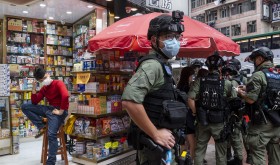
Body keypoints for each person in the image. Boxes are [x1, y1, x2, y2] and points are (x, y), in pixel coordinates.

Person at [122, 11, 187, 165]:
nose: (174, 42)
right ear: (153, 39)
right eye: (168, 37)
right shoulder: (153, 65)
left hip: (164, 145)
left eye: (177, 37)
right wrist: (156, 134)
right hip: (154, 147)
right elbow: (129, 101)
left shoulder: (163, 64)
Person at [188, 52, 235, 165]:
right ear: (220, 67)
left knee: (200, 150)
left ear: (207, 67)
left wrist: (195, 113)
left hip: (203, 121)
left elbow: (190, 98)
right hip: (219, 122)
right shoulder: (226, 83)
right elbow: (234, 99)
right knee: (221, 152)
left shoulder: (200, 81)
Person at [237, 47, 280, 165]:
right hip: (276, 123)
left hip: (261, 124)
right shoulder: (277, 74)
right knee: (275, 155)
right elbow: (268, 91)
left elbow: (251, 99)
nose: (254, 62)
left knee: (258, 154)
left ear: (260, 58)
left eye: (255, 59)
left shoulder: (258, 75)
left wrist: (240, 93)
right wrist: (247, 88)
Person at [21, 67, 69, 165]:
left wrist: (60, 111)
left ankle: (50, 162)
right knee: (25, 106)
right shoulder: (44, 88)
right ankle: (41, 125)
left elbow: (65, 95)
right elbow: (35, 102)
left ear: (47, 74)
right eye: (41, 80)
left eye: (44, 78)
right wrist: (34, 89)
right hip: (50, 109)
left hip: (59, 110)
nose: (44, 81)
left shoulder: (58, 83)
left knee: (51, 135)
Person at [223, 58, 248, 165]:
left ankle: (237, 158)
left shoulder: (231, 81)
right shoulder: (244, 78)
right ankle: (249, 154)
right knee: (245, 132)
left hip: (233, 112)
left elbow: (231, 97)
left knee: (233, 134)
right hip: (243, 110)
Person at [177, 67, 196, 158]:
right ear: (187, 76)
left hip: (181, 119)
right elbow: (189, 101)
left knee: (184, 145)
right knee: (191, 145)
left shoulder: (179, 86)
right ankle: (190, 160)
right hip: (188, 119)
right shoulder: (186, 87)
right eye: (191, 75)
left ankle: (183, 160)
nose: (192, 77)